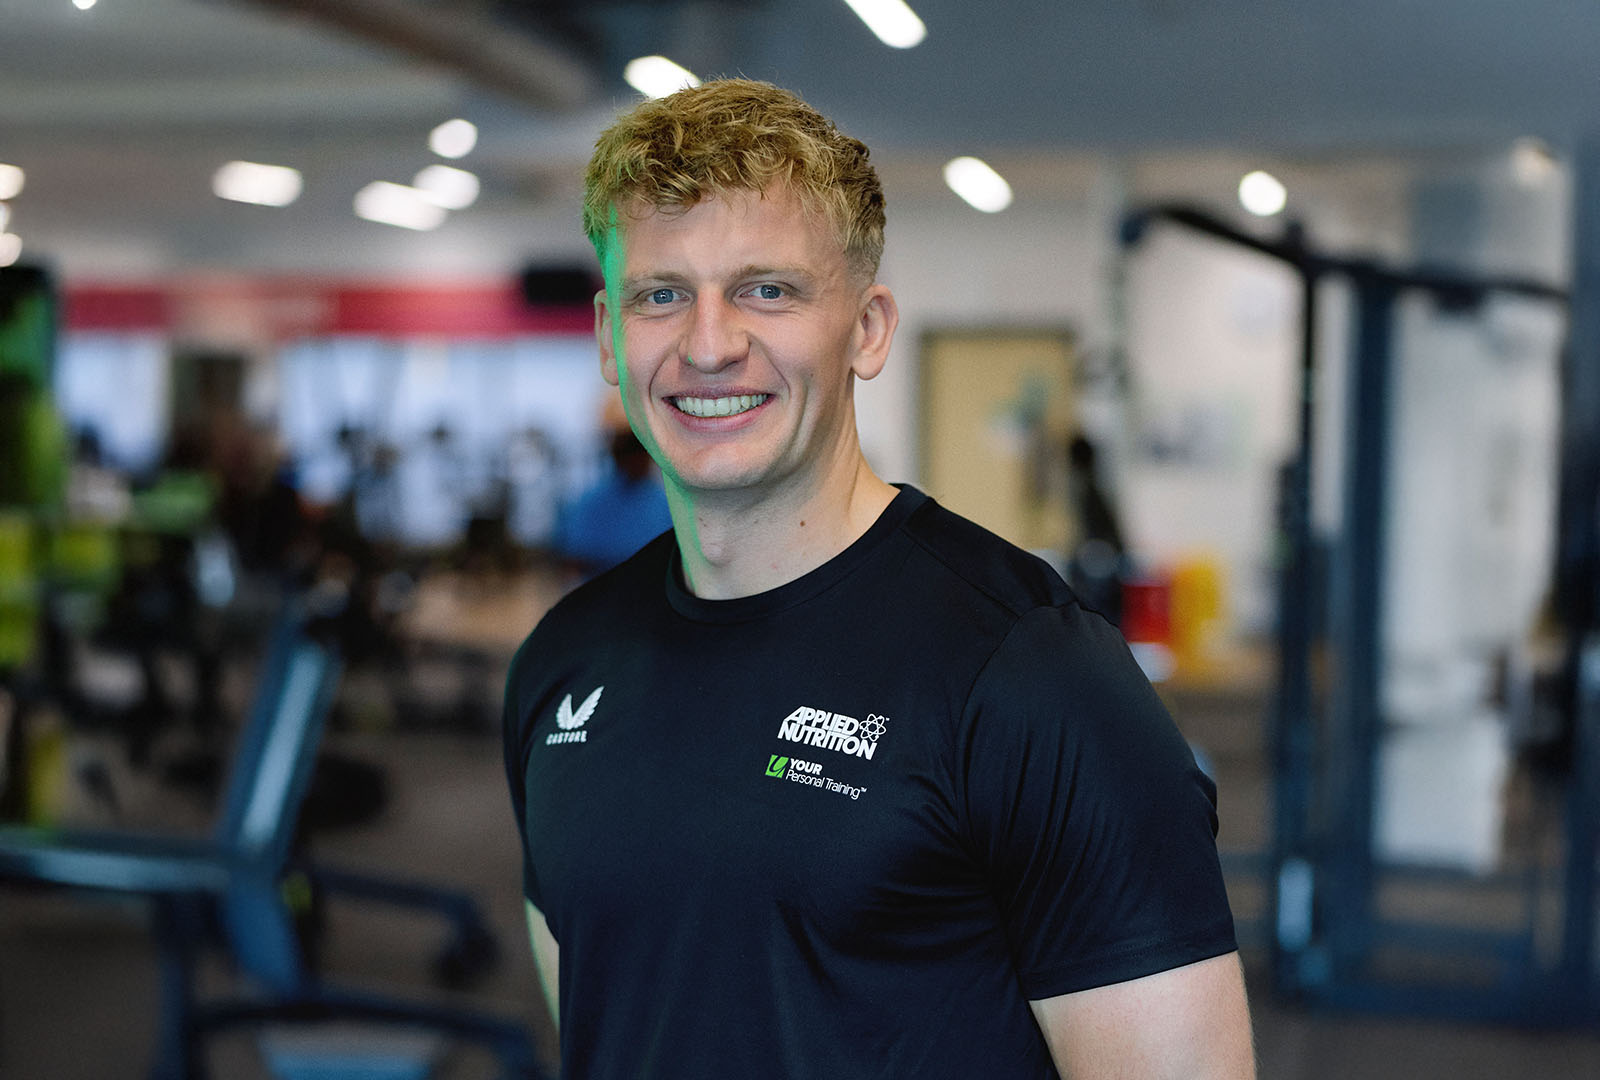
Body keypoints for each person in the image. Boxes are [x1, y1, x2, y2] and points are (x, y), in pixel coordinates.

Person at [503, 78, 1253, 1079]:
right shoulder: (563, 662)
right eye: (660, 294)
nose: (710, 343)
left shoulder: (1032, 677)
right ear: (606, 334)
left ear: (866, 329)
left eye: (766, 289)